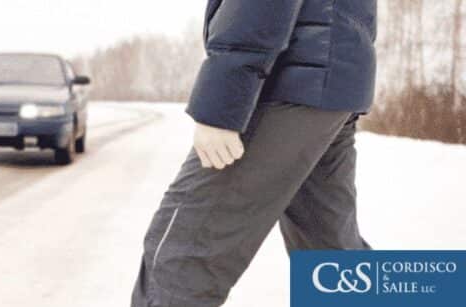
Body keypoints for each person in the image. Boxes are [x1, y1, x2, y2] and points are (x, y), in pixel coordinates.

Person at [131, 0, 377, 306]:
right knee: (332, 258)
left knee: (182, 260)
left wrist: (223, 99)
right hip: (332, 77)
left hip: (288, 81)